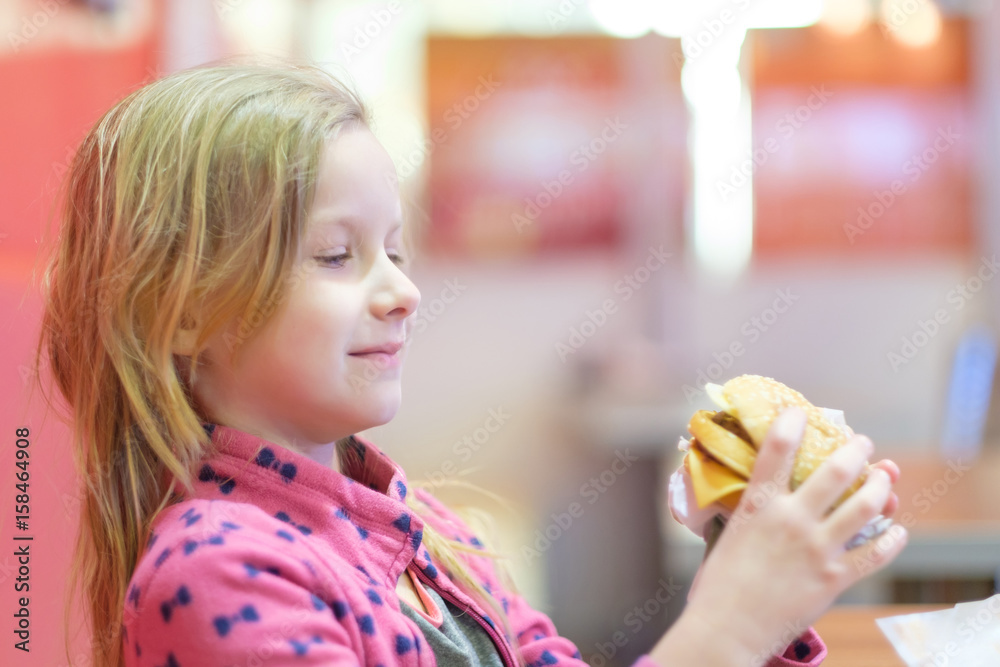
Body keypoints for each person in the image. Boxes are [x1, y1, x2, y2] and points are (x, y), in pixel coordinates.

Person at [33, 59, 907, 667]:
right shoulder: (219, 569)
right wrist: (723, 625)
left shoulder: (424, 530)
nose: (402, 292)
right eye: (337, 256)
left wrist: (761, 595)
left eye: (397, 252)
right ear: (184, 312)